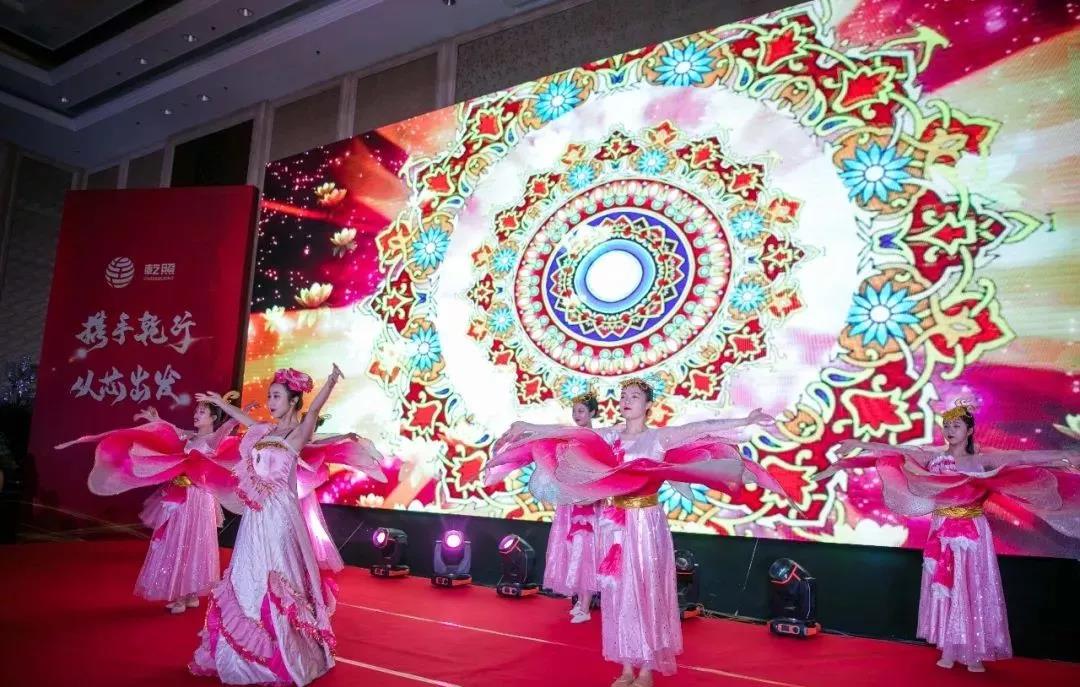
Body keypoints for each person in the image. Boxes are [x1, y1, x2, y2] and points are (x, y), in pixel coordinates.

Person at [488, 378, 786, 687]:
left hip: (646, 524)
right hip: (614, 527)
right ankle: (627, 667)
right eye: (623, 396)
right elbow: (569, 433)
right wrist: (529, 427)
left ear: (648, 405)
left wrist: (745, 420)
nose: (626, 400)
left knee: (644, 591)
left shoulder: (658, 438)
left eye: (634, 396)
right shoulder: (610, 436)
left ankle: (646, 670)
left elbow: (700, 428)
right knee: (619, 594)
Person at [816, 400, 1080, 673]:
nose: (949, 430)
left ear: (969, 430)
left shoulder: (981, 460)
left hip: (971, 529)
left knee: (971, 585)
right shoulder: (933, 457)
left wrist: (1063, 456)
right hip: (941, 527)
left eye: (956, 425)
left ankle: (974, 651)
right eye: (946, 425)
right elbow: (896, 452)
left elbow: (1022, 458)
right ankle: (949, 648)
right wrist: (855, 446)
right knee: (946, 585)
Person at [190, 365, 382, 686]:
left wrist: (330, 381)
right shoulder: (266, 430)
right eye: (269, 396)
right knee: (246, 573)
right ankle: (240, 657)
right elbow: (244, 419)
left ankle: (285, 654)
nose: (270, 401)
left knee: (278, 575)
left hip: (280, 515)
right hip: (255, 515)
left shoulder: (299, 432)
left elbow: (315, 409)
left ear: (293, 401)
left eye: (276, 396)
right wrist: (221, 404)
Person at [56, 393, 246, 614]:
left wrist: (233, 414)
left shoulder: (214, 439)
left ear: (213, 417)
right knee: (178, 541)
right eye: (196, 411)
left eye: (201, 412)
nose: (196, 414)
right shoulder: (190, 436)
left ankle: (183, 596)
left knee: (191, 543)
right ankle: (188, 595)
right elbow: (173, 431)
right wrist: (156, 420)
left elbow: (227, 427)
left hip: (197, 498)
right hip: (179, 495)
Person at [544, 392, 601, 623]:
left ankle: (585, 606)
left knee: (585, 549)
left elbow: (599, 469)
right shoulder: (571, 438)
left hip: (587, 501)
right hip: (570, 499)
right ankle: (580, 601)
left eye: (581, 411)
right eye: (574, 411)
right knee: (572, 548)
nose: (576, 415)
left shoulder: (597, 438)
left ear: (592, 412)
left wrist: (587, 491)